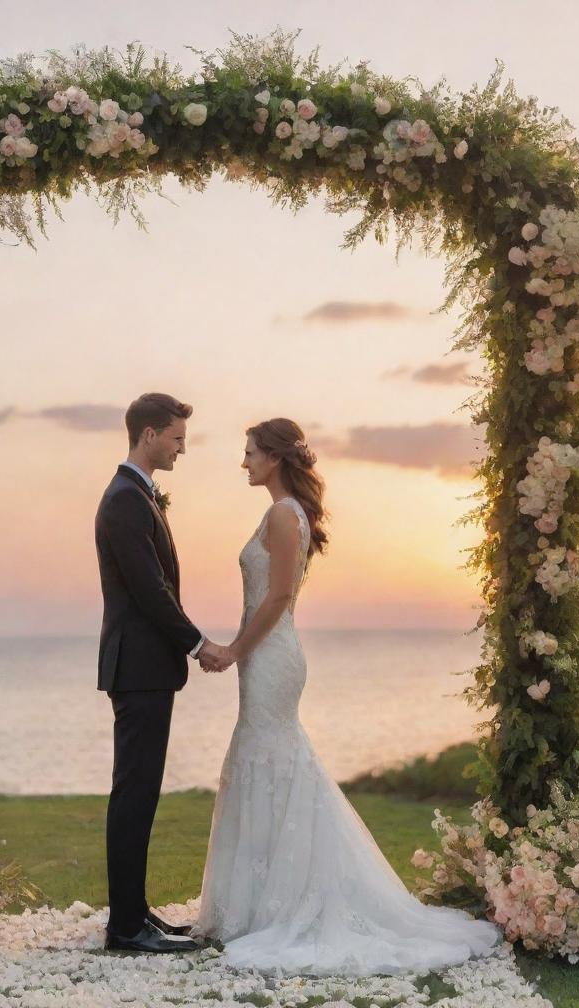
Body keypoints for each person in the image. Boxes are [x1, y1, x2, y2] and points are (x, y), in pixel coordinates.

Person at [191, 417, 501, 975]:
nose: (245, 462)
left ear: (277, 457)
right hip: (265, 656)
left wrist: (235, 649)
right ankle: (259, 902)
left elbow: (281, 594)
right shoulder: (282, 513)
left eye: (251, 453)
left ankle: (288, 903)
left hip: (269, 655)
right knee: (265, 757)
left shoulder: (284, 515)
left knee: (274, 757)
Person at [94, 392, 232, 954]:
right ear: (149, 435)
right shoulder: (126, 499)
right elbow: (151, 592)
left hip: (146, 668)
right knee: (134, 791)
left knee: (141, 790)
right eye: (176, 438)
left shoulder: (137, 495)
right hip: (139, 667)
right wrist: (199, 644)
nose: (182, 448)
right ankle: (125, 928)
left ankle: (135, 914)